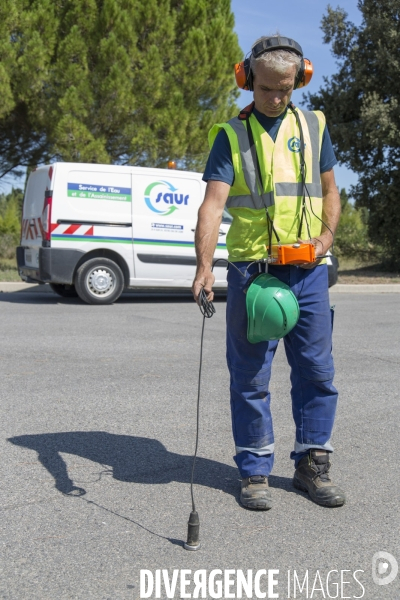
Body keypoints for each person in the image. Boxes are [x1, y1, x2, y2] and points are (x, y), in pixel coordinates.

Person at [192, 35, 346, 510]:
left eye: (285, 89)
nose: (276, 99)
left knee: (317, 372)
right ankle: (255, 470)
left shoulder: (315, 125)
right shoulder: (230, 135)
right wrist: (203, 267)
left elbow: (330, 192)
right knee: (251, 377)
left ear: (300, 80)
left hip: (309, 271)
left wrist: (326, 240)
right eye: (265, 90)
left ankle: (311, 466)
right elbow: (213, 205)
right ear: (246, 81)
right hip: (253, 275)